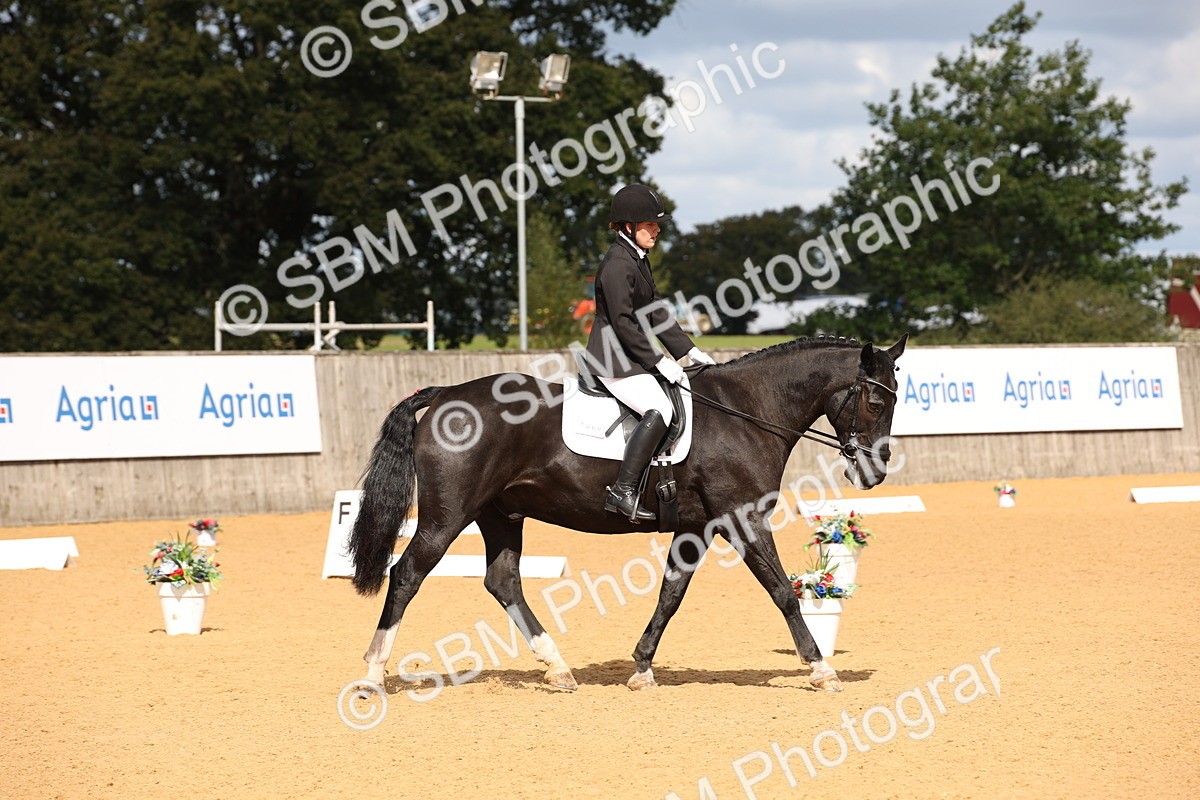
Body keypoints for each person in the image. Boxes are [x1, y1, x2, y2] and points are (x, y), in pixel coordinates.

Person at [582, 184, 716, 523]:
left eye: (657, 224)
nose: (657, 229)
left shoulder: (637, 259)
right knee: (658, 408)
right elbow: (624, 322)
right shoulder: (617, 264)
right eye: (650, 224)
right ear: (628, 226)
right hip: (612, 359)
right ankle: (623, 490)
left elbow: (655, 311)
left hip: (629, 356)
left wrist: (689, 352)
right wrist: (658, 361)